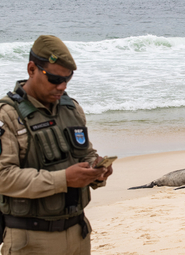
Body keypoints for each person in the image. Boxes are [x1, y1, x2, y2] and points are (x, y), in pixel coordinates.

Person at [0, 35, 113, 255]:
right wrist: (63, 179)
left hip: (78, 233)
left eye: (67, 80)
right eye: (53, 79)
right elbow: (3, 177)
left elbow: (85, 152)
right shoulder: (8, 116)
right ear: (32, 69)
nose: (61, 86)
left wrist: (97, 169)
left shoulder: (71, 109)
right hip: (31, 240)